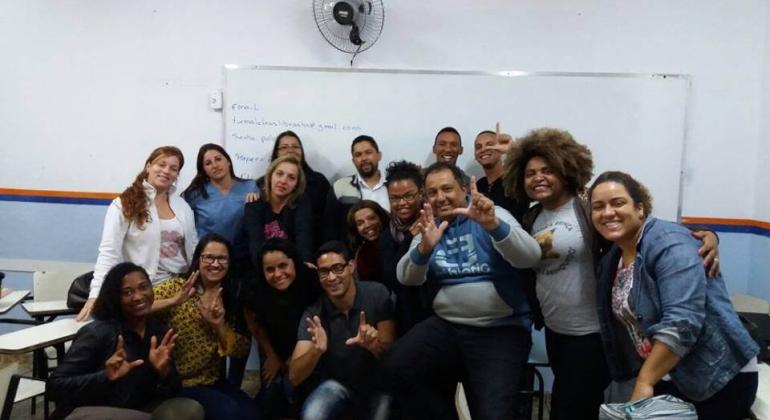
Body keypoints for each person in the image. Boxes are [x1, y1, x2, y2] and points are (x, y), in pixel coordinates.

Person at [502, 127, 722, 420]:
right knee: (573, 405)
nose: (538, 177)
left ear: (566, 170)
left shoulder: (587, 208)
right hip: (557, 330)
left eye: (548, 169)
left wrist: (708, 235)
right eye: (530, 173)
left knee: (570, 409)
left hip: (592, 333)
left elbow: (640, 230)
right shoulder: (532, 216)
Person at [588, 171, 759, 420]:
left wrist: (644, 382)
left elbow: (682, 322)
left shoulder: (669, 244)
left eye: (618, 203)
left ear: (640, 208)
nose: (607, 212)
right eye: (598, 206)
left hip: (717, 373)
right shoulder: (614, 256)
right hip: (670, 373)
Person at [384, 162, 541, 420]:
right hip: (447, 326)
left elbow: (530, 256)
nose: (440, 197)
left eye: (447, 189)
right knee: (395, 368)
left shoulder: (492, 212)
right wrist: (424, 249)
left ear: (464, 188)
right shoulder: (429, 224)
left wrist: (492, 225)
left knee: (494, 414)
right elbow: (406, 277)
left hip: (500, 329)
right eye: (432, 192)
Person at [47, 262, 204, 420]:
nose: (138, 296)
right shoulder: (99, 333)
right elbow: (54, 387)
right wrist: (105, 376)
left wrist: (164, 372)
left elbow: (172, 390)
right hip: (86, 411)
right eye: (127, 292)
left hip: (134, 409)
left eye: (143, 287)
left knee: (190, 409)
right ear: (115, 298)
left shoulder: (157, 332)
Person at [77, 146, 198, 321]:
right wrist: (96, 295)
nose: (166, 171)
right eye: (161, 164)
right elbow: (109, 252)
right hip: (145, 291)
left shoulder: (182, 206)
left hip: (181, 286)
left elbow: (193, 247)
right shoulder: (124, 203)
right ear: (148, 166)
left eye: (173, 168)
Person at [152, 234, 258, 420]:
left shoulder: (231, 297)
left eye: (222, 259)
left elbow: (241, 350)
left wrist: (219, 326)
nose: (215, 264)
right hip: (179, 382)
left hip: (212, 381)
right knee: (230, 414)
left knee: (253, 413)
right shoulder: (177, 287)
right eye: (209, 257)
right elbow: (138, 307)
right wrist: (173, 301)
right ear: (198, 260)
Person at [289, 241, 395, 420]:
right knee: (312, 415)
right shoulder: (314, 313)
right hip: (338, 385)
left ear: (351, 266)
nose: (331, 277)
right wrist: (316, 351)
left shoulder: (376, 293)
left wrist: (373, 346)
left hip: (379, 384)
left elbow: (393, 357)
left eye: (338, 268)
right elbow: (294, 377)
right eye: (324, 272)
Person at [182, 143, 258, 386]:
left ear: (228, 161)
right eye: (208, 162)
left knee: (240, 324)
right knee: (208, 320)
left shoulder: (250, 186)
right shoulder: (195, 194)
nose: (214, 165)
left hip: (242, 266)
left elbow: (261, 219)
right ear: (203, 169)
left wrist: (257, 203)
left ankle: (233, 382)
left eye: (218, 159)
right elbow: (185, 227)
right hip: (210, 268)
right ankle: (211, 379)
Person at [241, 239, 322, 419]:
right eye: (270, 269)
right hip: (273, 348)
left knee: (295, 391)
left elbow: (319, 323)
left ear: (294, 261)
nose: (278, 274)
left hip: (308, 347)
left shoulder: (311, 280)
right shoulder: (254, 286)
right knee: (270, 399)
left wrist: (291, 360)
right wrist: (272, 356)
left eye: (283, 265)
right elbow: (254, 324)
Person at [263, 131, 331, 249]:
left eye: (295, 147)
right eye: (284, 147)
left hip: (314, 246)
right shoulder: (263, 185)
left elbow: (328, 221)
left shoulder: (319, 182)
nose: (290, 150)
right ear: (276, 153)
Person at [244, 155, 313, 264]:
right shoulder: (254, 206)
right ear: (271, 176)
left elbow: (303, 241)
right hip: (263, 267)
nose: (283, 181)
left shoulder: (301, 206)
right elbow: (255, 244)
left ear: (296, 185)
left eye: (291, 177)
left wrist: (304, 266)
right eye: (279, 174)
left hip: (292, 267)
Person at [323, 135, 390, 243]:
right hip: (353, 254)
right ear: (353, 160)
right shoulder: (340, 187)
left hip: (392, 252)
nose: (363, 158)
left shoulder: (392, 186)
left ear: (379, 155)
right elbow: (330, 229)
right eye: (358, 155)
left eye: (368, 152)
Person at [473, 128, 529, 221]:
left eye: (489, 145)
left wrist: (514, 150)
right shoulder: (478, 185)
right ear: (475, 155)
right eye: (478, 147)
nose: (483, 149)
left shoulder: (516, 179)